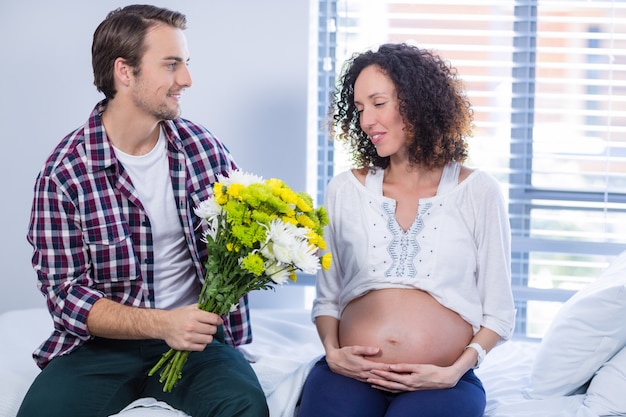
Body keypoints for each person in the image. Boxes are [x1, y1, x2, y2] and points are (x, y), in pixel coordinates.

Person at [18, 5, 268, 417]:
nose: (186, 80)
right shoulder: (65, 174)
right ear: (124, 71)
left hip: (195, 345)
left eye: (185, 64)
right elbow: (66, 295)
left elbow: (243, 239)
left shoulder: (204, 150)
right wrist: (161, 324)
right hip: (99, 349)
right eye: (172, 65)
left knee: (245, 406)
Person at [298, 43, 516, 417]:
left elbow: (499, 313)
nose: (366, 120)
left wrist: (453, 371)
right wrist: (333, 355)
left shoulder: (478, 191)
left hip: (442, 381)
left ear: (417, 103)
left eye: (378, 103)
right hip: (348, 374)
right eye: (360, 108)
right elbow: (328, 298)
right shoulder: (344, 189)